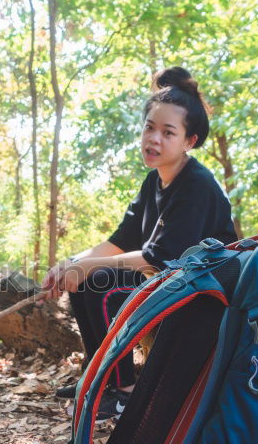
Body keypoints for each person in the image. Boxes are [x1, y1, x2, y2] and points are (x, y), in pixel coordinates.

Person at [42, 67, 237, 420]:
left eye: (168, 132)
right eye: (150, 127)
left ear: (189, 141)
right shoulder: (154, 183)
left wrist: (85, 268)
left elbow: (158, 259)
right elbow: (120, 241)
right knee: (87, 278)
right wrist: (70, 264)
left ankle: (125, 392)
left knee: (98, 283)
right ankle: (99, 379)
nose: (154, 139)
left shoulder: (196, 184)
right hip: (171, 284)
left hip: (204, 302)